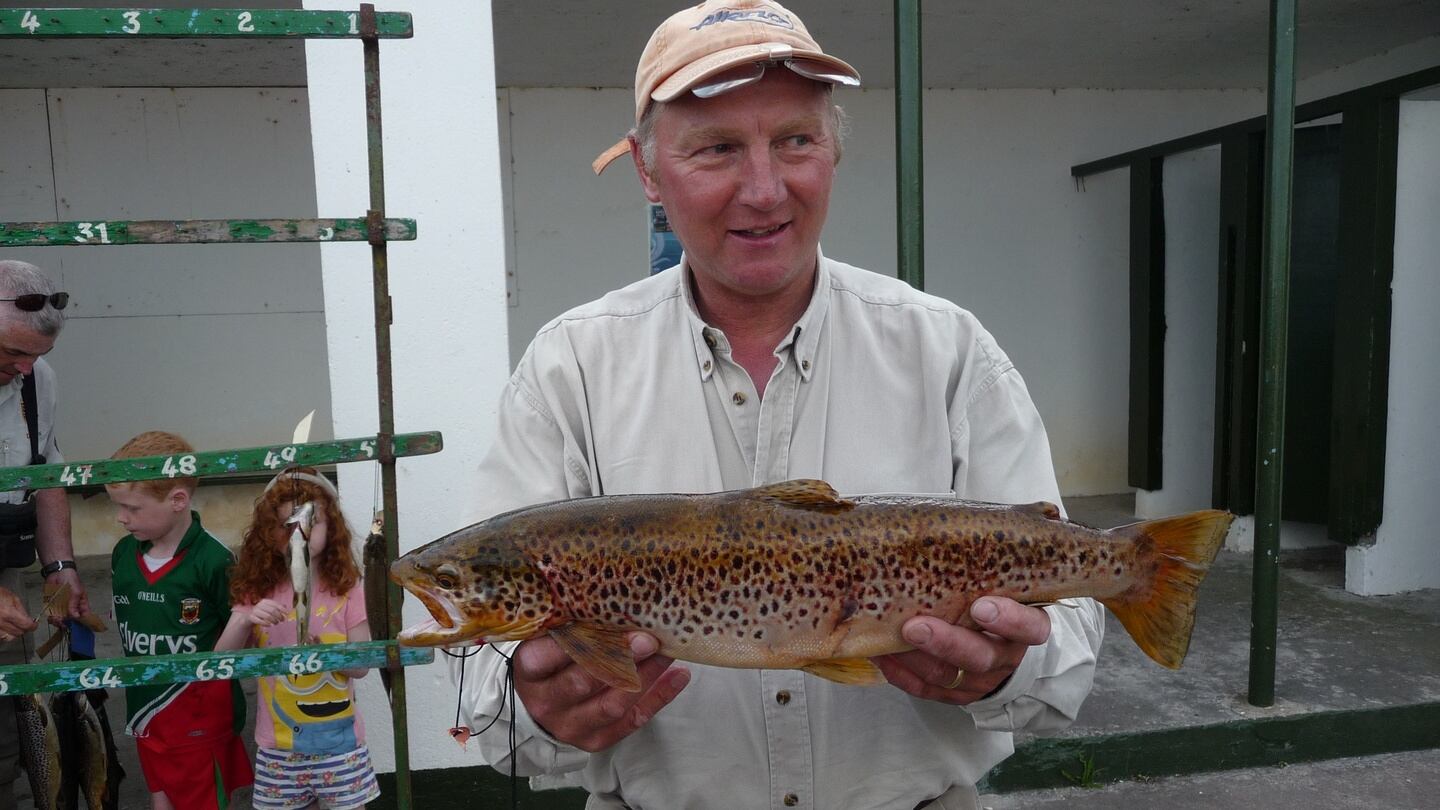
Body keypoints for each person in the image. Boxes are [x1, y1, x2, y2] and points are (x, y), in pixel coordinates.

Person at [457, 1, 1106, 807]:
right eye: (717, 149)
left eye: (796, 140)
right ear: (648, 171)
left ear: (834, 148)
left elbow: (1070, 636)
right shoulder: (569, 369)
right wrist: (541, 710)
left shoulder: (950, 352)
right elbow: (487, 694)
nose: (764, 190)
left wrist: (1008, 669)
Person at [216, 467, 381, 810]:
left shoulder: (348, 589)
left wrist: (327, 654)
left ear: (331, 527)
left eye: (312, 522)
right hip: (279, 748)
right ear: (268, 531)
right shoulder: (258, 589)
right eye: (287, 524)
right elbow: (222, 661)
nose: (299, 533)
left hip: (341, 746)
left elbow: (363, 665)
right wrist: (245, 619)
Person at [106, 431, 252, 810]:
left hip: (199, 715)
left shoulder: (214, 561)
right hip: (145, 707)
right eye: (117, 507)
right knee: (161, 799)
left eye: (132, 508)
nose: (121, 518)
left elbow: (245, 636)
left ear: (178, 500)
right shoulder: (123, 553)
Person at [0, 258, 91, 808]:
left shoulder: (38, 378)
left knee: (13, 722)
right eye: (13, 352)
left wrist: (61, 568)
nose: (26, 367)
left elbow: (48, 469)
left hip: (6, 558)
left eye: (38, 356)